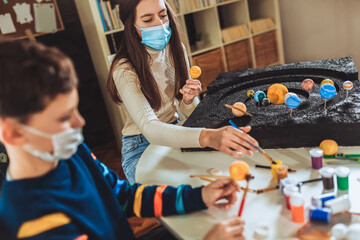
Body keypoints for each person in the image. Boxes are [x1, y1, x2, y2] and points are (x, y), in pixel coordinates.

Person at [0, 40, 246, 240]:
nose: (79, 123)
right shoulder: (32, 220)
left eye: (75, 108)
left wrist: (198, 196)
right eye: (64, 118)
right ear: (13, 133)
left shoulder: (75, 153)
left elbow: (123, 196)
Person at [108, 0, 259, 183]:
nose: (160, 24)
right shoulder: (124, 70)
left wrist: (188, 100)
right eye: (148, 20)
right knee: (178, 193)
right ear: (131, 27)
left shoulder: (177, 48)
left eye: (163, 15)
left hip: (177, 127)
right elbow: (150, 128)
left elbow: (187, 111)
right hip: (140, 146)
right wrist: (208, 136)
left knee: (217, 175)